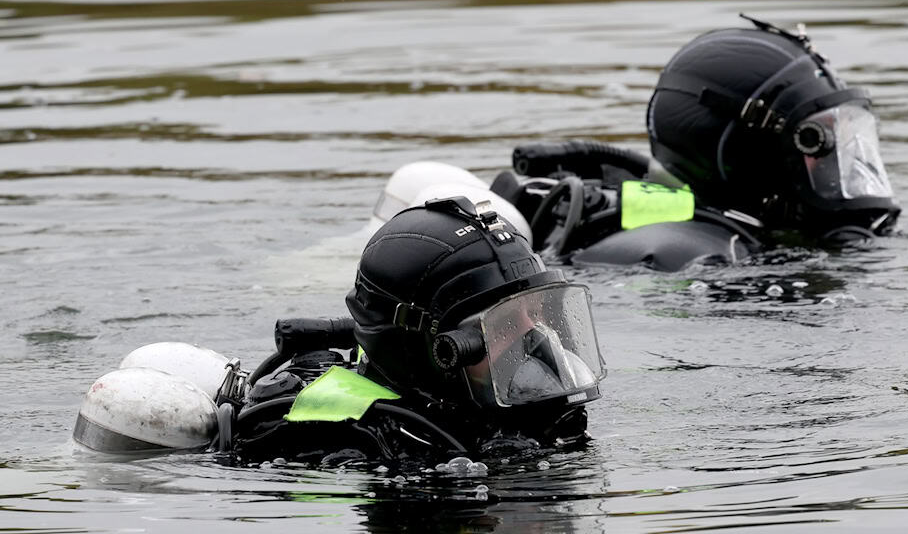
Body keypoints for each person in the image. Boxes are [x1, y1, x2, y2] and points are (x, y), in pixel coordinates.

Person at [74, 197, 606, 467]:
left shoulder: (516, 411)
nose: (534, 336)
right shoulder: (352, 446)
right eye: (504, 324)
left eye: (535, 312)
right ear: (429, 351)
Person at [489, 15, 902, 272]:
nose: (837, 166)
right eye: (817, 143)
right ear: (750, 158)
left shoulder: (730, 229)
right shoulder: (700, 257)